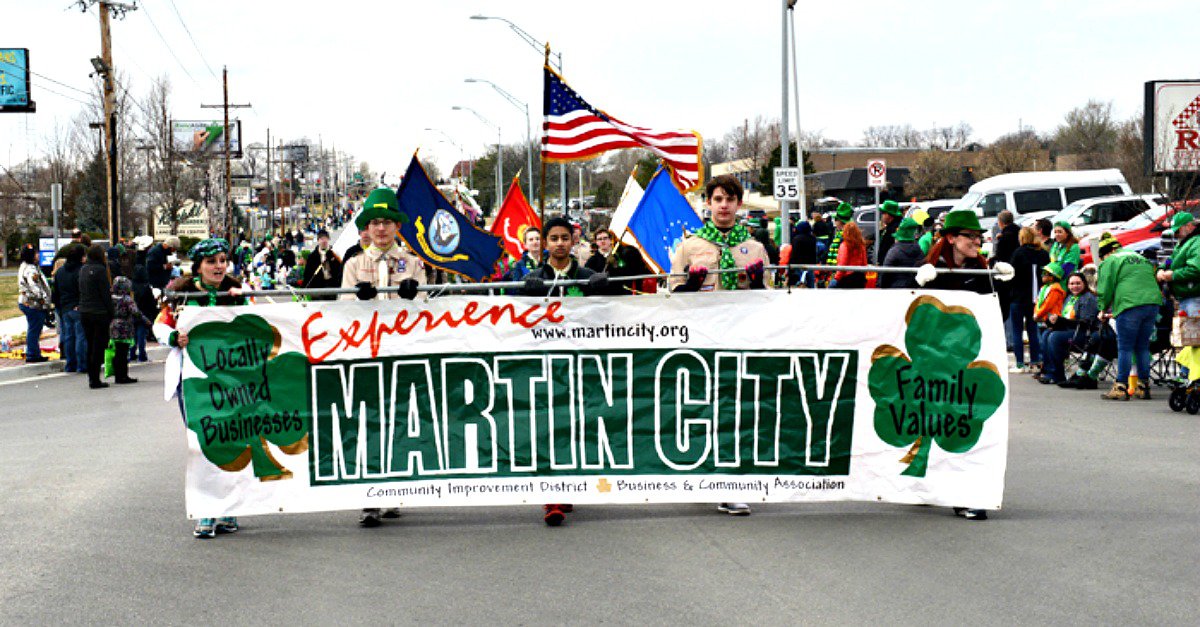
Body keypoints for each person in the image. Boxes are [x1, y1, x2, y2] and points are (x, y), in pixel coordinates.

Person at [668, 174, 767, 517]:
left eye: (730, 199)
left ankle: (730, 485)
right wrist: (689, 286)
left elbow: (771, 301)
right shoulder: (690, 246)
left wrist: (756, 282)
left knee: (735, 411)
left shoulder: (754, 248)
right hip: (700, 338)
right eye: (718, 199)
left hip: (740, 337)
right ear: (707, 204)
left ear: (739, 204)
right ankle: (702, 470)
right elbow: (670, 298)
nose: (724, 206)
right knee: (703, 410)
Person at [915, 211, 1013, 522]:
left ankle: (965, 494)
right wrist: (915, 284)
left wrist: (1003, 284)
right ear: (952, 238)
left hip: (968, 360)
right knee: (930, 423)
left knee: (965, 425)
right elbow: (905, 311)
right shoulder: (931, 268)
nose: (977, 241)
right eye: (970, 236)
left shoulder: (981, 269)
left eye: (979, 235)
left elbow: (997, 314)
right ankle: (925, 484)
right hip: (932, 360)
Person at [340, 188, 424, 527]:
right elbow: (343, 315)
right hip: (366, 354)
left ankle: (394, 491)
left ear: (396, 226)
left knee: (399, 424)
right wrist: (357, 300)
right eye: (375, 222)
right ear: (366, 228)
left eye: (388, 222)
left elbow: (424, 312)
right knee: (367, 424)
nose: (382, 229)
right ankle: (368, 497)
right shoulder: (354, 265)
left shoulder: (412, 263)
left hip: (401, 353)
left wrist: (411, 297)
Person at [157, 238, 247, 538]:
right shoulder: (180, 293)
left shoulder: (236, 290)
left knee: (230, 442)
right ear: (198, 266)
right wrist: (173, 338)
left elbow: (256, 322)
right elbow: (160, 325)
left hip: (230, 380)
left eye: (222, 260)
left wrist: (244, 301)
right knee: (202, 443)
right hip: (193, 381)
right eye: (212, 262)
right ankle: (206, 510)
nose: (219, 266)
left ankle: (229, 508)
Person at [523, 217, 608, 525]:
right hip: (545, 364)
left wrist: (603, 289)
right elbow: (511, 316)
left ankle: (569, 482)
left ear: (573, 241)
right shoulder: (533, 277)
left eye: (564, 238)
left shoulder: (586, 275)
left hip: (580, 363)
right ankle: (552, 496)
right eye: (553, 238)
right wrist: (525, 292)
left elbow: (608, 317)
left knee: (574, 426)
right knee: (546, 426)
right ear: (544, 243)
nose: (559, 243)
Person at [1095, 232, 1162, 400]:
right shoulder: (1140, 258)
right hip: (1152, 303)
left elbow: (1105, 287)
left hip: (1130, 304)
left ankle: (1120, 386)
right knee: (1142, 346)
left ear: (1106, 253)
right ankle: (1143, 386)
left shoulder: (1110, 261)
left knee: (1125, 347)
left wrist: (1102, 309)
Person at [1039, 272, 1099, 385]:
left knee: (1054, 337)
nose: (1074, 286)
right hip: (1070, 331)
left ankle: (1058, 375)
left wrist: (1061, 321)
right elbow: (1065, 318)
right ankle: (1049, 371)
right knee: (1046, 333)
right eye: (1071, 284)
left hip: (1085, 335)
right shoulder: (1070, 297)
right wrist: (1052, 321)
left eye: (1078, 283)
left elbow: (1086, 323)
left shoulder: (1088, 298)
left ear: (1084, 284)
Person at [1008, 227, 1050, 373]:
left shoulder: (1018, 253)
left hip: (1018, 297)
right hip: (1036, 297)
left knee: (1017, 331)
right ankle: (1035, 361)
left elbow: (1010, 274)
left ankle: (1020, 363)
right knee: (1033, 330)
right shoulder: (1043, 254)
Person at [78, 244, 114, 389]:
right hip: (99, 312)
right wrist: (111, 312)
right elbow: (105, 294)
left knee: (90, 344)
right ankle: (95, 379)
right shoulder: (100, 270)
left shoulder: (83, 269)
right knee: (98, 347)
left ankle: (91, 376)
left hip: (85, 311)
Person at [52, 244, 87, 373]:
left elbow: (55, 291)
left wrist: (59, 307)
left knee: (68, 337)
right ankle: (82, 364)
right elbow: (83, 289)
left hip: (65, 307)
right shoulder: (82, 271)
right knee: (81, 337)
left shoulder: (60, 271)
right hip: (78, 306)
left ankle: (70, 364)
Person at [1157, 212, 1200, 317]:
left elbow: (1196, 270)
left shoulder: (1197, 242)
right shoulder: (1183, 242)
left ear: (1189, 226)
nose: (1176, 234)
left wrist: (1174, 275)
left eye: (1177, 230)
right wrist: (1162, 268)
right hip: (1186, 297)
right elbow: (1171, 259)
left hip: (1195, 298)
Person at [108, 276, 149, 385]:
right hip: (124, 327)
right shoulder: (126, 299)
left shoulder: (110, 298)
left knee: (117, 352)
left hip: (113, 326)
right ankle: (123, 376)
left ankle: (118, 375)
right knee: (123, 352)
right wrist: (146, 320)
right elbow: (136, 312)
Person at [17, 244, 52, 363]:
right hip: (33, 304)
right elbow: (35, 287)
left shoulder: (26, 266)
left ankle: (34, 352)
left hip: (27, 302)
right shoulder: (30, 270)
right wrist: (44, 300)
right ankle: (32, 354)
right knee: (34, 329)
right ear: (31, 256)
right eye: (36, 253)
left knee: (34, 328)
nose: (38, 255)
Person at [1033, 263, 1066, 370]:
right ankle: (1044, 368)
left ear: (1053, 276)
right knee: (1042, 345)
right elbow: (1038, 302)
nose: (1042, 275)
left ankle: (1049, 369)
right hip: (1041, 319)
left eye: (1045, 273)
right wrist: (1036, 314)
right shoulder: (1044, 288)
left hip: (1051, 321)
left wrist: (1038, 314)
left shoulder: (1055, 289)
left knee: (1047, 346)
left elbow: (1048, 305)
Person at [879, 218, 924, 289]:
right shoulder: (919, 250)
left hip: (895, 289)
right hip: (914, 289)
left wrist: (882, 287)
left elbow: (885, 273)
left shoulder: (894, 251)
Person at [303, 229, 344, 297]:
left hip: (331, 286)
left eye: (326, 238)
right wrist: (304, 289)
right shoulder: (312, 256)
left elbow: (340, 269)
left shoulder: (334, 253)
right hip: (317, 288)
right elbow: (307, 274)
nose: (324, 241)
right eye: (322, 239)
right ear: (318, 240)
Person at [832, 221, 868, 288]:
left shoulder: (845, 245)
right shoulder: (861, 245)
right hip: (859, 277)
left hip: (846, 278)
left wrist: (836, 278)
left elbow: (843, 264)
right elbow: (864, 263)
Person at [790, 220, 819, 288]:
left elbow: (794, 254)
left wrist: (791, 265)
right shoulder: (813, 238)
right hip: (810, 264)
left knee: (799, 283)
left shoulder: (796, 239)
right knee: (810, 282)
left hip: (799, 265)